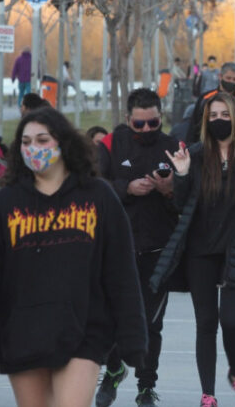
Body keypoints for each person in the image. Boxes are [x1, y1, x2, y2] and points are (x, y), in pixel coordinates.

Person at [0, 107, 148, 407]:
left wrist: (133, 336)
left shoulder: (98, 196)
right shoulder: (4, 203)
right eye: (26, 142)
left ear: (62, 142)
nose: (34, 149)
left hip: (84, 330)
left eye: (42, 140)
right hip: (22, 332)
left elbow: (121, 270)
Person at [150, 92, 235, 407]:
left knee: (232, 321)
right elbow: (181, 205)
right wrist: (180, 174)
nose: (218, 120)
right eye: (213, 116)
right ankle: (208, 394)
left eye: (224, 115)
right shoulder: (195, 153)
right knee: (206, 323)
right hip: (200, 251)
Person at [95, 89, 179, 407]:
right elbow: (95, 184)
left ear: (161, 118)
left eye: (153, 123)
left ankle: (146, 386)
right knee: (111, 319)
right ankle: (114, 370)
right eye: (139, 125)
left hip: (159, 250)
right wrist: (126, 188)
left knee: (151, 324)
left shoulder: (173, 147)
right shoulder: (111, 144)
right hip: (117, 249)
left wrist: (169, 189)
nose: (146, 130)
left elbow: (189, 197)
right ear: (128, 120)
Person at [186, 62, 235, 147]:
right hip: (208, 147)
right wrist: (190, 148)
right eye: (228, 78)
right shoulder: (205, 98)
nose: (231, 81)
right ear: (220, 76)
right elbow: (194, 126)